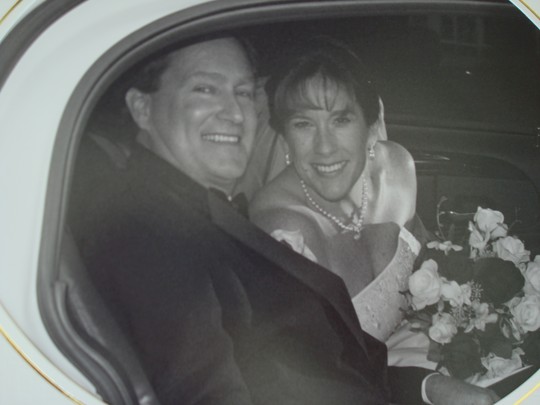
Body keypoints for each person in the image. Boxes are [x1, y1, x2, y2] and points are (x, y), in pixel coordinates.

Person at [69, 36, 498, 404]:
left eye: (243, 92)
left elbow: (316, 361)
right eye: (205, 89)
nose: (234, 112)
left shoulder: (199, 210)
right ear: (142, 107)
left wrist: (428, 388)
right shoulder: (150, 238)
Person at [250, 38, 428, 344]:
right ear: (285, 139)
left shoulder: (399, 169)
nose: (324, 147)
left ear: (371, 128)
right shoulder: (283, 229)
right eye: (303, 124)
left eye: (341, 120)